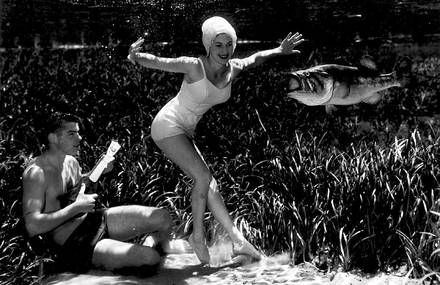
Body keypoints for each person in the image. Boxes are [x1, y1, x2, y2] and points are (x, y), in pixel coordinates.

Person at [127, 16, 304, 264]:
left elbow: (256, 58)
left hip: (186, 130)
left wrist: (279, 50)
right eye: (218, 45)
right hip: (167, 124)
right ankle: (197, 237)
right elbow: (160, 62)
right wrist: (135, 56)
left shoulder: (234, 67)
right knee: (202, 178)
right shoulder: (194, 66)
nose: (224, 50)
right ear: (208, 45)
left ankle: (238, 241)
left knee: (210, 185)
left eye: (229, 44)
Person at [22, 112, 172, 274]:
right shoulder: (37, 173)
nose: (79, 138)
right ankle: (118, 254)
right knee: (150, 260)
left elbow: (77, 187)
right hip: (74, 243)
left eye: (78, 133)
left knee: (162, 217)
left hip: (93, 221)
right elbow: (32, 226)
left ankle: (128, 250)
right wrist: (76, 209)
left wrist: (99, 170)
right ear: (53, 138)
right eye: (72, 133)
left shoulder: (70, 161)